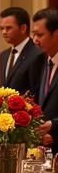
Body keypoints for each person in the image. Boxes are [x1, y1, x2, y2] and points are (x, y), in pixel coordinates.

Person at [0, 6, 46, 98]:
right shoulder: (3, 55)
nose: (4, 32)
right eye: (2, 28)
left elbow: (35, 91)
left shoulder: (37, 54)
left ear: (23, 28)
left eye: (8, 28)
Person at [32, 8, 58, 153]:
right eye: (33, 34)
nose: (35, 40)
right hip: (42, 148)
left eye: (40, 35)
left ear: (56, 34)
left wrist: (53, 127)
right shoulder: (39, 61)